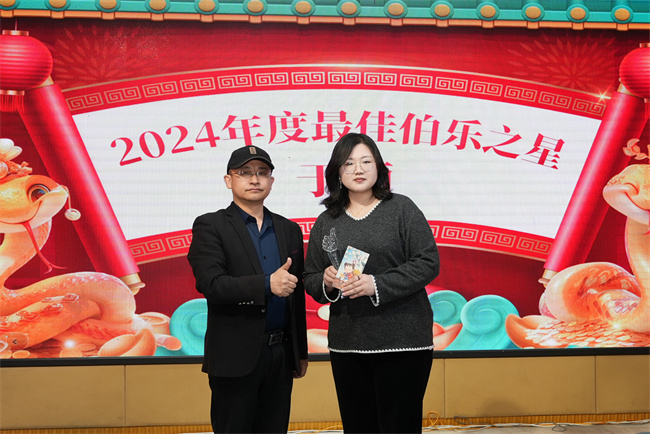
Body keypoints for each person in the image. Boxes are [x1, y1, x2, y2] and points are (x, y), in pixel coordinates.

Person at [304, 133, 440, 433]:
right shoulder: (327, 220)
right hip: (348, 343)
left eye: (366, 161)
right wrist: (326, 281)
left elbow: (428, 261)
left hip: (404, 340)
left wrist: (375, 284)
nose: (358, 169)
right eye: (348, 163)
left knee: (399, 426)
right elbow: (310, 275)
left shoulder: (401, 209)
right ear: (337, 171)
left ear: (378, 167)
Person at [187, 145, 309, 433]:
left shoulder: (289, 229)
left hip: (280, 354)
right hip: (234, 355)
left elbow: (296, 295)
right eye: (244, 172)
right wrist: (266, 284)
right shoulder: (211, 225)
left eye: (262, 172)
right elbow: (211, 284)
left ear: (271, 181)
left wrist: (299, 352)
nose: (254, 179)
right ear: (228, 180)